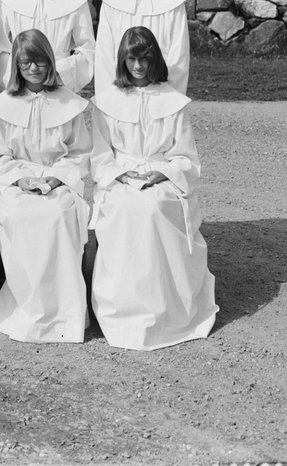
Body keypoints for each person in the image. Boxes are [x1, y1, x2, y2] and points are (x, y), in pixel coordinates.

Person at [89, 26, 217, 350]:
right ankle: (126, 312)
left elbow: (186, 157)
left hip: (163, 176)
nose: (138, 66)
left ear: (154, 59)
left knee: (155, 207)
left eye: (145, 58)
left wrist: (162, 173)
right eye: (132, 59)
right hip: (121, 178)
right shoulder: (106, 103)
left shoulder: (172, 102)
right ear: (122, 60)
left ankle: (166, 311)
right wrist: (122, 176)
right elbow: (101, 157)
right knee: (126, 208)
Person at [0, 29, 92, 343]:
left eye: (40, 61)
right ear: (16, 67)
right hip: (16, 182)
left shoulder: (68, 104)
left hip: (58, 179)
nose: (34, 69)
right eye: (26, 63)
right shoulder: (4, 106)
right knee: (20, 215)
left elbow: (79, 151)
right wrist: (18, 179)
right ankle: (27, 308)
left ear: (50, 62)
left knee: (59, 214)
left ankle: (63, 314)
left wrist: (58, 177)